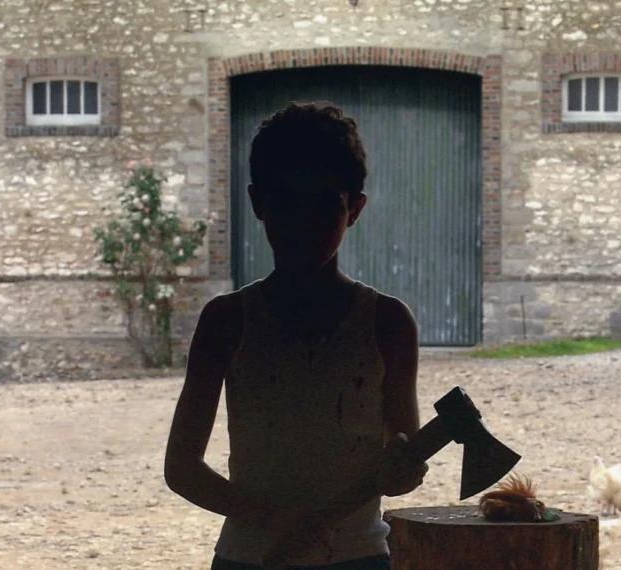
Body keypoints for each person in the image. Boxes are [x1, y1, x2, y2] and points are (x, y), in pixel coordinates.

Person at [164, 101, 428, 570]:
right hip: (251, 558)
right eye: (286, 199)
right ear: (257, 203)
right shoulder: (226, 322)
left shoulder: (387, 325)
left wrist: (406, 468)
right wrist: (272, 519)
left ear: (355, 209)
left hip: (357, 559)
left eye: (324, 202)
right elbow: (181, 467)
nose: (303, 222)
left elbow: (402, 464)